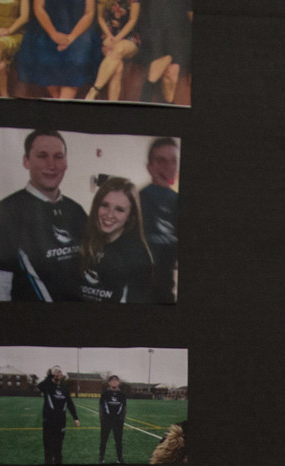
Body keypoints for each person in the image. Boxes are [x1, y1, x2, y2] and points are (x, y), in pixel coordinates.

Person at [0, 130, 88, 302]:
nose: (52, 165)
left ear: (66, 162)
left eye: (58, 156)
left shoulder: (76, 210)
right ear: (26, 161)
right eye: (42, 156)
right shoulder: (3, 213)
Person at [80, 177, 156, 303]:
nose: (109, 215)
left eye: (119, 210)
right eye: (105, 205)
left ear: (130, 216)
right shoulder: (84, 239)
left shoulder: (137, 254)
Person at [16, 0, 98, 99]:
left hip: (78, 32)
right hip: (48, 29)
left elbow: (89, 13)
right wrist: (53, 34)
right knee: (45, 56)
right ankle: (60, 104)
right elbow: (38, 8)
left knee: (75, 62)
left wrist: (71, 38)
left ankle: (61, 105)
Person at [140, 138, 180, 303]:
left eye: (173, 161)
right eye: (161, 160)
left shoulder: (179, 202)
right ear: (150, 167)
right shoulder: (136, 200)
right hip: (139, 291)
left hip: (166, 292)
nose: (168, 167)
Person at [83, 0, 138, 100]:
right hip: (109, 35)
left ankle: (94, 90)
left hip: (129, 37)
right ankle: (113, 103)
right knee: (118, 67)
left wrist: (117, 39)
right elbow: (100, 18)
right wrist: (110, 36)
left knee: (118, 49)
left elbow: (132, 20)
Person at [135, 0, 188, 104]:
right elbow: (143, 18)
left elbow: (186, 16)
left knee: (173, 70)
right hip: (153, 34)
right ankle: (146, 94)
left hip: (175, 35)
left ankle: (168, 104)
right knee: (163, 61)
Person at [36, 366, 80, 464]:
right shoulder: (48, 386)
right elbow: (39, 387)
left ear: (62, 375)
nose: (57, 373)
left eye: (59, 372)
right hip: (48, 422)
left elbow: (70, 403)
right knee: (48, 449)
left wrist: (75, 418)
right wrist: (50, 375)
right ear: (52, 374)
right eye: (55, 372)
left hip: (60, 423)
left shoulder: (64, 389)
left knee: (58, 449)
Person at [97, 374, 129, 462]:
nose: (114, 382)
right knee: (103, 440)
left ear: (118, 383)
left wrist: (122, 419)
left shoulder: (122, 395)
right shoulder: (105, 394)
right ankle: (101, 457)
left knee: (118, 441)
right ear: (109, 383)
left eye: (116, 381)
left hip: (118, 422)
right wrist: (102, 419)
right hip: (106, 421)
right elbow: (101, 407)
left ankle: (119, 458)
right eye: (112, 381)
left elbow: (124, 408)